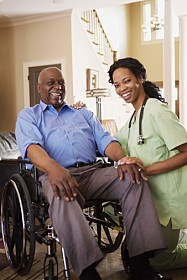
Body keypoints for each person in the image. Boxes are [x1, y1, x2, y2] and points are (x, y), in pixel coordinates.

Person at [15, 67, 172, 280]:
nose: (57, 87)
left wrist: (123, 159)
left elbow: (106, 141)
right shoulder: (29, 116)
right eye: (51, 83)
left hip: (93, 172)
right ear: (39, 87)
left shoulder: (83, 114)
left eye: (61, 82)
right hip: (57, 174)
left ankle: (140, 263)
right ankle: (88, 271)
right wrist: (54, 169)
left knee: (133, 179)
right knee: (62, 193)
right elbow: (32, 147)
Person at [107, 57, 187, 271]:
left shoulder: (157, 111)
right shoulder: (135, 117)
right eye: (117, 85)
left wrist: (146, 170)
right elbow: (113, 140)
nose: (122, 88)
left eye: (127, 81)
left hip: (168, 204)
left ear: (140, 79)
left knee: (155, 262)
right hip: (150, 201)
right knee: (107, 207)